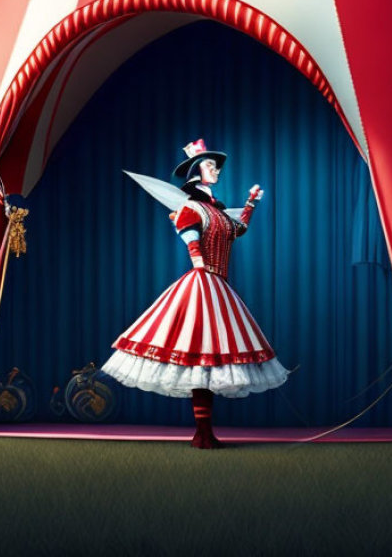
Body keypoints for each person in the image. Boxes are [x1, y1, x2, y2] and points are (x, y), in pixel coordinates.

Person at [101, 139, 289, 448]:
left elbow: (236, 230)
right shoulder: (191, 207)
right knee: (200, 353)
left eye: (215, 166)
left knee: (212, 359)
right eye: (210, 165)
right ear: (195, 173)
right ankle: (202, 432)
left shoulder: (216, 210)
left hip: (218, 283)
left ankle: (205, 431)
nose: (216, 170)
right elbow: (190, 239)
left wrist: (251, 203)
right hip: (203, 282)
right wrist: (200, 266)